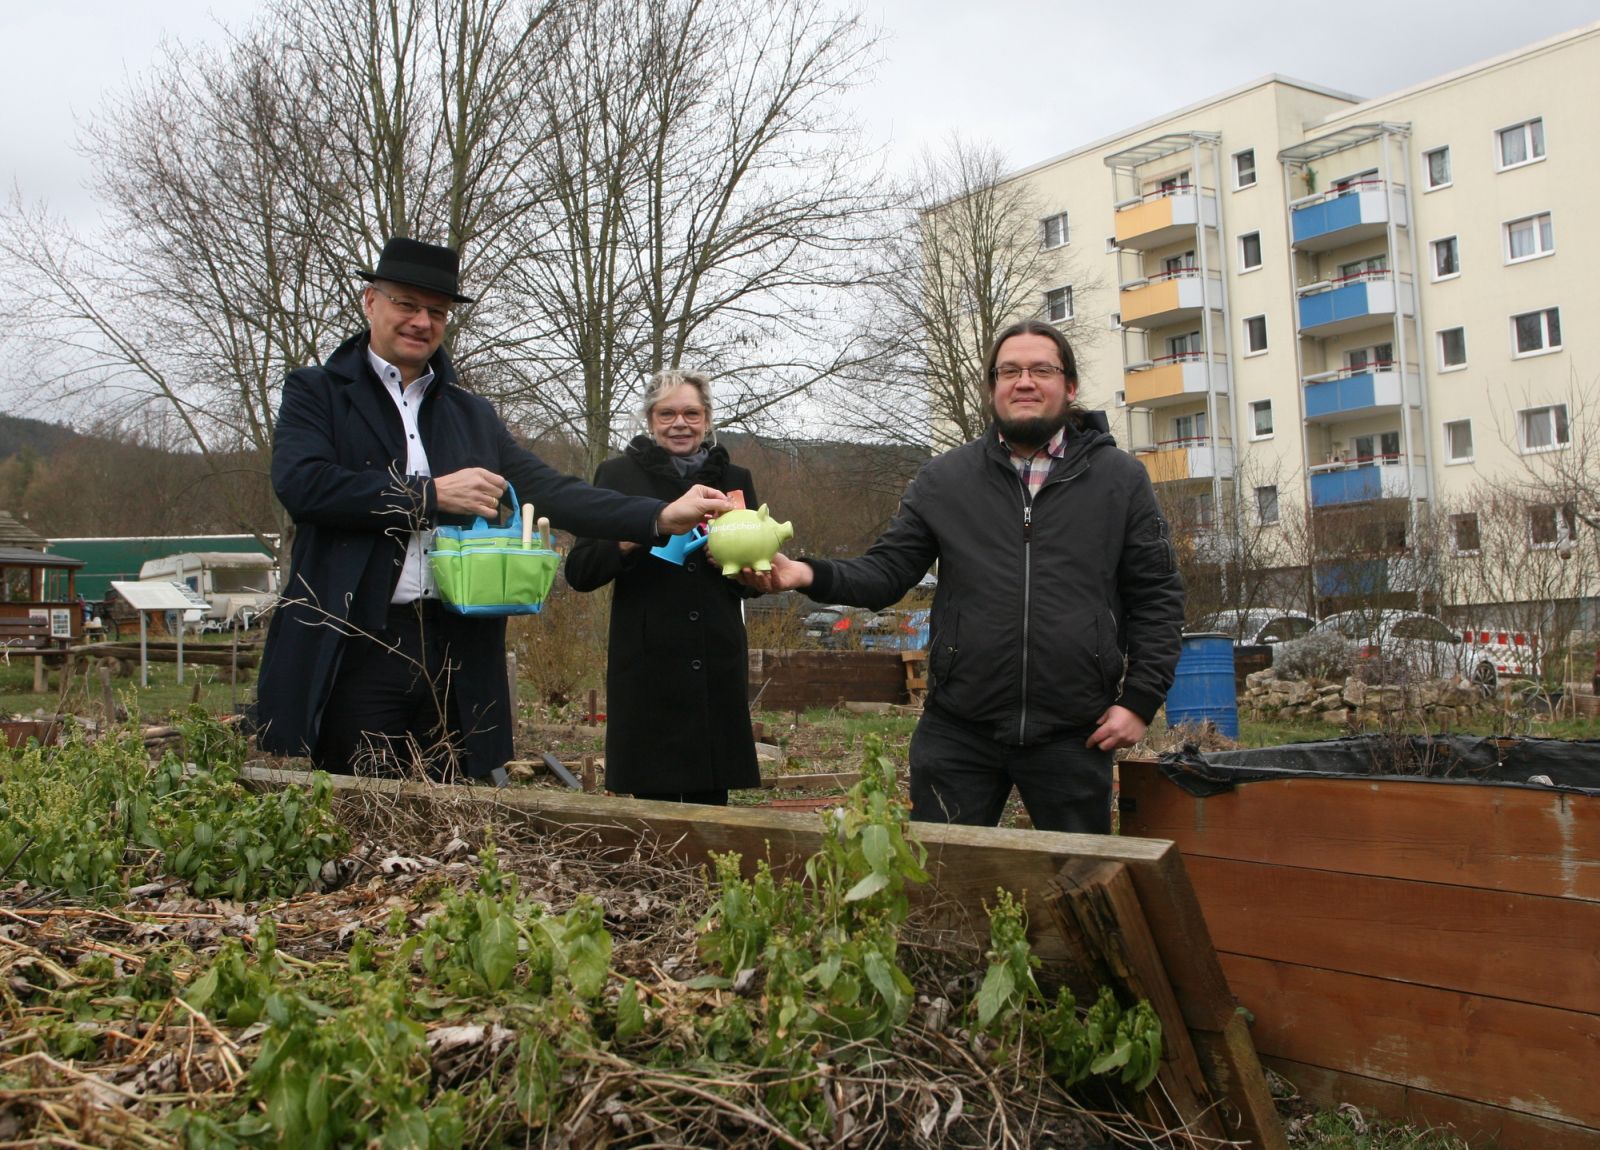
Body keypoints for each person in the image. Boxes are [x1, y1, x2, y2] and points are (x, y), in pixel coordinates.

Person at [256, 237, 730, 782]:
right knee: (355, 805)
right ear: (370, 303)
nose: (421, 321)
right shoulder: (319, 392)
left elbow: (549, 489)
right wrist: (429, 496)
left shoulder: (471, 414)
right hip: (359, 642)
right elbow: (303, 484)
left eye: (436, 311)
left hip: (460, 646)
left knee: (460, 813)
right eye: (406, 304)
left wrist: (656, 517)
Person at [739, 320, 1184, 833]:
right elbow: (886, 573)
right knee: (942, 884)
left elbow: (1157, 597)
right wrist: (802, 572)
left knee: (1075, 886)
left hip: (1075, 731)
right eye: (1009, 370)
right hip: (960, 728)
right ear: (993, 387)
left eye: (1041, 369)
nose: (1024, 381)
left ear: (1070, 386)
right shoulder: (945, 478)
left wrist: (1139, 702)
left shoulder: (1120, 479)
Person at [565, 370, 762, 804]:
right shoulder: (617, 476)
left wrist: (738, 564)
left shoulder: (735, 479)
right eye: (667, 413)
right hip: (648, 661)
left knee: (712, 807)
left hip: (715, 657)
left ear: (707, 418)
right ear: (650, 420)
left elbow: (760, 578)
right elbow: (581, 571)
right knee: (652, 811)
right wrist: (639, 530)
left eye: (691, 413)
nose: (680, 423)